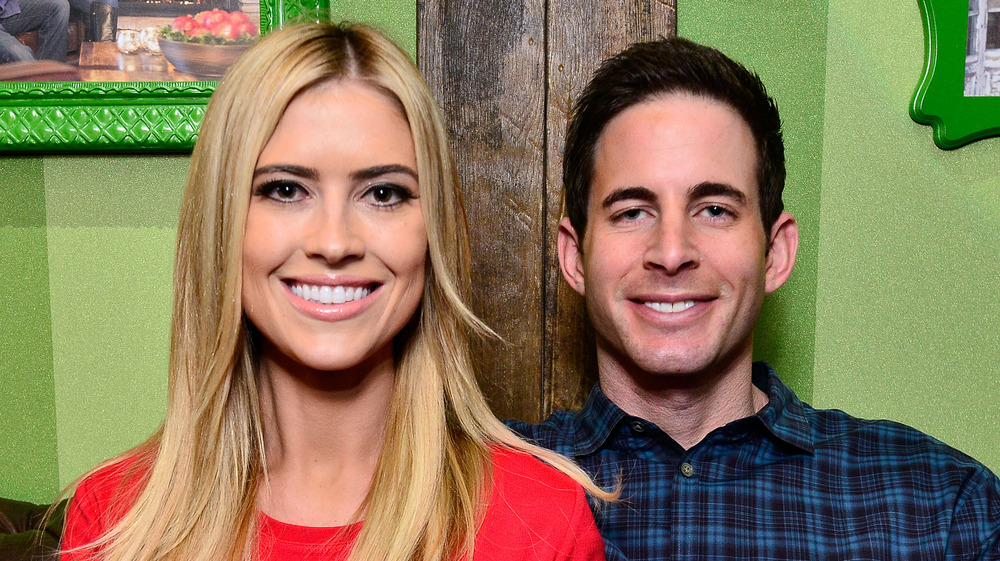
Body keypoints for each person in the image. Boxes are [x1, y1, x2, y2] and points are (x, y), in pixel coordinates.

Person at [59, 22, 612, 561]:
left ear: (435, 231)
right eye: (284, 189)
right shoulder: (114, 519)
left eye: (383, 193)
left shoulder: (539, 521)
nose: (334, 241)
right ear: (220, 224)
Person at [508, 37, 1000, 560]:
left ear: (775, 252)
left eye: (715, 209)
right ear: (574, 257)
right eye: (632, 212)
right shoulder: (475, 488)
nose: (671, 252)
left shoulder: (941, 510)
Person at [0, 0, 68, 64]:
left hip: (6, 9)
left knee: (60, 6)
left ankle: (52, 71)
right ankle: (40, 73)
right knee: (20, 54)